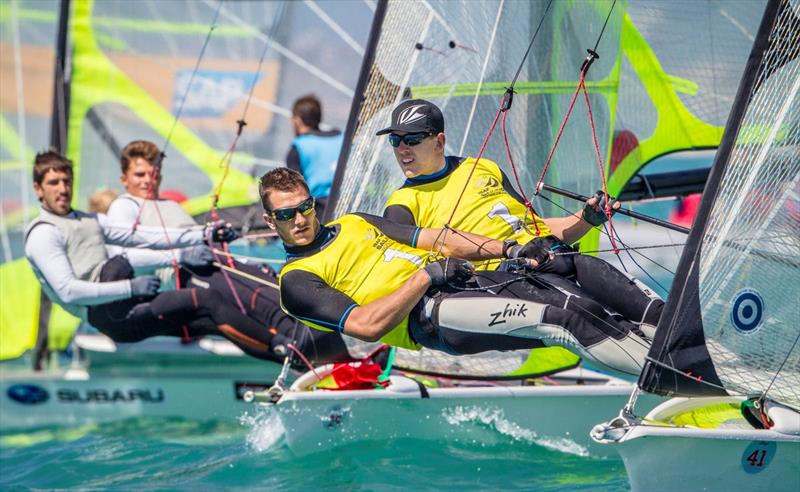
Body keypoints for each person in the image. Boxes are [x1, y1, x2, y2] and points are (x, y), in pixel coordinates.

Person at [259, 168, 650, 376]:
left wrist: (510, 248)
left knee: (579, 298)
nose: (299, 219)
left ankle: (684, 355)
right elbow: (366, 325)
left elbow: (440, 239)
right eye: (285, 214)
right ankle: (664, 377)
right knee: (561, 320)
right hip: (433, 318)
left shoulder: (356, 221)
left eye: (305, 206)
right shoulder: (295, 281)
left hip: (462, 284)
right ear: (270, 219)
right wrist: (426, 277)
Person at [379, 99, 664, 338]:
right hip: (512, 279)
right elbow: (413, 275)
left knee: (657, 313)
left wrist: (586, 218)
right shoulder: (402, 205)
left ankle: (696, 355)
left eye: (412, 139)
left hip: (556, 258)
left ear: (439, 141)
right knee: (603, 322)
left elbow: (535, 229)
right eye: (395, 140)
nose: (402, 149)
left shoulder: (483, 168)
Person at [103, 140, 350, 364]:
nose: (148, 179)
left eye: (153, 172)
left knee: (276, 290)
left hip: (213, 265)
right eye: (139, 174)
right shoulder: (124, 206)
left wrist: (245, 262)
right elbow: (123, 258)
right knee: (264, 305)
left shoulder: (170, 206)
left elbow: (206, 246)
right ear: (124, 179)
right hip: (183, 278)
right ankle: (317, 359)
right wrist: (179, 257)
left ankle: (343, 350)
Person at [24, 150, 236, 345]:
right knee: (203, 301)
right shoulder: (44, 233)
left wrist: (202, 234)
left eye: (66, 181)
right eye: (54, 182)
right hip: (109, 317)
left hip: (125, 304)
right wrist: (134, 286)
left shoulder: (94, 221)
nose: (63, 188)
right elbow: (70, 291)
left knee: (208, 312)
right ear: (38, 188)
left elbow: (142, 237)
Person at [285, 94, 344, 216]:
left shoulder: (298, 147)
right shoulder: (343, 138)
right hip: (350, 203)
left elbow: (294, 192)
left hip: (320, 211)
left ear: (297, 120)